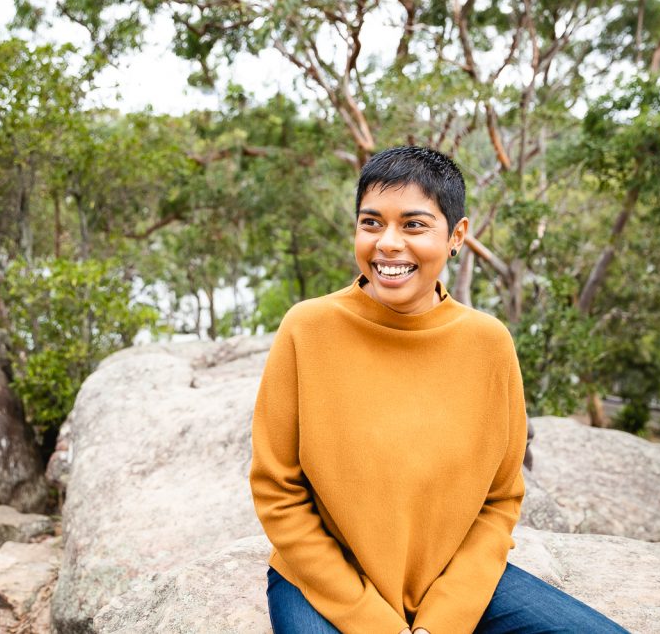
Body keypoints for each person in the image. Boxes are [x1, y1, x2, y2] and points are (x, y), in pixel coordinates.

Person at [249, 146, 632, 634]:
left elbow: (500, 499)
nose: (388, 244)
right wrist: (374, 623)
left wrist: (443, 620)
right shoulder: (307, 328)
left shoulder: (488, 344)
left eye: (413, 225)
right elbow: (278, 493)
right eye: (371, 223)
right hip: (327, 583)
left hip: (453, 580)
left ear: (456, 236)